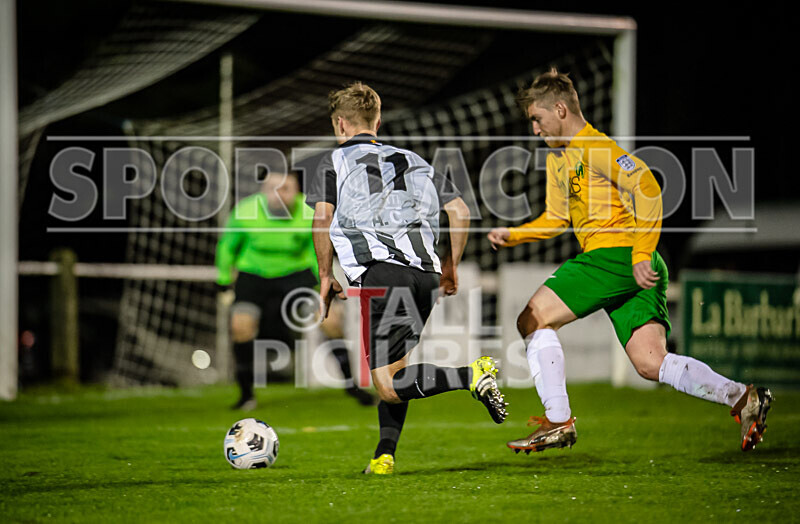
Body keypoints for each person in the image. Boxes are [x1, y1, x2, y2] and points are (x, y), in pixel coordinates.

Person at [487, 69, 772, 454]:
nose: (535, 129)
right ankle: (741, 397)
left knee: (531, 319)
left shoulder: (594, 146)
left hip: (616, 256)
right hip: (627, 263)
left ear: (560, 109)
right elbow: (556, 219)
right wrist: (515, 234)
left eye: (537, 119)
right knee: (650, 362)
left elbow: (648, 186)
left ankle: (558, 420)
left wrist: (638, 253)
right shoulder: (560, 160)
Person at [307, 82, 508, 475]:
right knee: (399, 373)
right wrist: (449, 265)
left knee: (386, 384)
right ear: (377, 121)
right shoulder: (415, 160)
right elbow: (461, 212)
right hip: (425, 274)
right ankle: (384, 456)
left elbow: (322, 219)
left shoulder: (331, 163)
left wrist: (325, 276)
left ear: (339, 124)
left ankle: (472, 375)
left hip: (382, 274)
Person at [215, 171, 376, 410]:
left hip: (296, 274)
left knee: (330, 322)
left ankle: (352, 385)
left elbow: (317, 250)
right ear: (263, 191)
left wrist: (325, 280)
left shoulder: (309, 213)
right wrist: (223, 281)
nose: (280, 193)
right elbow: (227, 247)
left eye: (286, 188)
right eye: (273, 188)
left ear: (297, 191)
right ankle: (246, 394)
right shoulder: (245, 211)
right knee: (241, 327)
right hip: (254, 276)